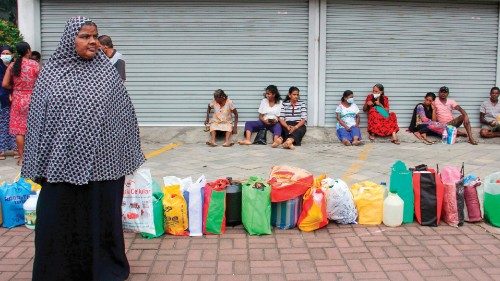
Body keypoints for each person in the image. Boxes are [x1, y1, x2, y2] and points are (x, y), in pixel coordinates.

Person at [20, 17, 144, 281]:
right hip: (61, 165)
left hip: (104, 165)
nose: (92, 42)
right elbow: (39, 119)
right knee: (58, 218)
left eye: (95, 37)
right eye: (85, 36)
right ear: (70, 39)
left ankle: (103, 269)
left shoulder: (106, 71)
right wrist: (39, 160)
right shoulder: (52, 72)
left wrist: (121, 151)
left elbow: (123, 115)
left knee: (100, 219)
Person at [2, 41, 40, 165]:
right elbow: (42, 82)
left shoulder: (12, 66)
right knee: (33, 128)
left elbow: (5, 84)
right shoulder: (34, 64)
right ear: (28, 50)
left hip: (17, 98)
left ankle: (22, 158)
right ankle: (34, 157)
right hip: (33, 98)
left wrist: (16, 87)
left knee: (20, 131)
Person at [0, 45, 17, 160]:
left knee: (15, 124)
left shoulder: (15, 66)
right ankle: (1, 151)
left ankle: (16, 149)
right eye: (3, 53)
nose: (6, 56)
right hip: (2, 99)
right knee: (2, 125)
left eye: (8, 53)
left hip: (14, 98)